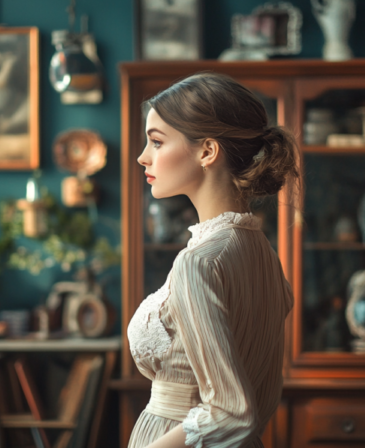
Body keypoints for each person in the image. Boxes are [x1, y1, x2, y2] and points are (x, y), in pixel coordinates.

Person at [128, 73, 299, 448]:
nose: (143, 156)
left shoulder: (199, 263)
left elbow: (231, 412)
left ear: (207, 151)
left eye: (156, 141)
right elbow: (260, 403)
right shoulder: (267, 258)